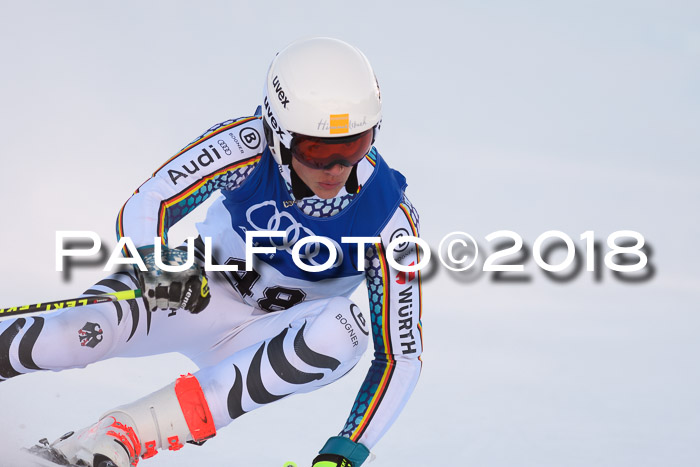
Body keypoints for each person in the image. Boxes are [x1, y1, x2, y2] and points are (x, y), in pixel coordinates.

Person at [1, 37, 423, 467]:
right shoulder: (245, 145)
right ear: (278, 132)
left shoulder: (390, 220)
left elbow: (399, 356)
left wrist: (346, 450)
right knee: (66, 339)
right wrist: (159, 271)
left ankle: (121, 435)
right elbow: (150, 201)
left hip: (267, 341)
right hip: (193, 293)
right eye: (315, 150)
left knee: (343, 328)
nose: (336, 168)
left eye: (355, 144)